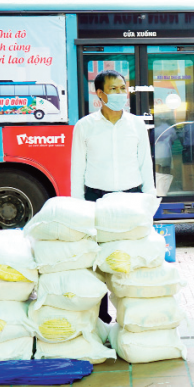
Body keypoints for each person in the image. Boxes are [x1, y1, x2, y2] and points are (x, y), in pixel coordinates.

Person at [71, 70, 155, 322]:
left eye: (123, 88)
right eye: (114, 89)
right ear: (100, 94)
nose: (121, 94)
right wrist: (79, 207)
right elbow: (78, 168)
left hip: (130, 198)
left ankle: (129, 319)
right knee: (97, 263)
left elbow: (145, 163)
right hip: (96, 199)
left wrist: (149, 200)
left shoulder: (136, 124)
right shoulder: (85, 126)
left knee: (127, 261)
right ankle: (101, 319)